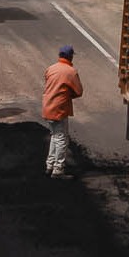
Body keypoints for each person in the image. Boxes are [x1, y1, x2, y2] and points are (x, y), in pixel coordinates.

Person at [42, 44, 82, 176]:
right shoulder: (71, 72)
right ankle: (58, 169)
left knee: (54, 136)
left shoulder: (50, 68)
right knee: (61, 139)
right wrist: (67, 95)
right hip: (59, 109)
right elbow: (79, 91)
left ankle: (49, 165)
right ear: (71, 57)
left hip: (47, 106)